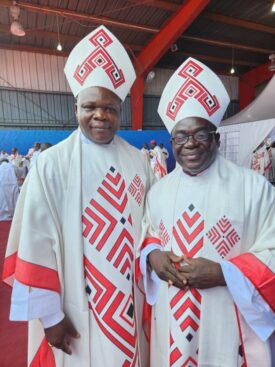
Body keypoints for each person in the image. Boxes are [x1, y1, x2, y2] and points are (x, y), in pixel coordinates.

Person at [3, 25, 154, 367]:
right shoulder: (52, 165)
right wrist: (50, 316)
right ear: (75, 108)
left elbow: (152, 225)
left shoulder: (138, 161)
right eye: (90, 107)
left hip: (130, 301)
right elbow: (35, 241)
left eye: (110, 108)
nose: (100, 115)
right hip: (76, 306)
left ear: (121, 111)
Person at [138, 57, 275, 366]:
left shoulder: (254, 188)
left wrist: (224, 273)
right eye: (181, 136)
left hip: (228, 322)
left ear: (217, 138)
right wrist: (153, 256)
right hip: (171, 321)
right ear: (171, 142)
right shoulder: (158, 192)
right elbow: (148, 236)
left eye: (201, 134)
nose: (191, 144)